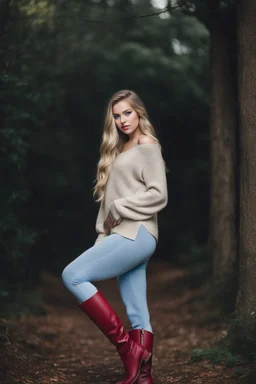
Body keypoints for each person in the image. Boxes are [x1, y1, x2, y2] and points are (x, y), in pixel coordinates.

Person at [62, 89, 168, 384]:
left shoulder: (146, 144)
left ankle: (127, 350)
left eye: (128, 113)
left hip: (137, 233)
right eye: (117, 115)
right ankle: (142, 377)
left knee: (72, 275)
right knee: (137, 312)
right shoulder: (117, 151)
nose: (123, 120)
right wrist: (101, 235)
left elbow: (159, 194)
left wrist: (122, 207)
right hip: (123, 234)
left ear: (139, 113)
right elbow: (108, 205)